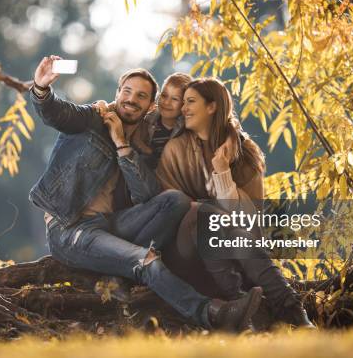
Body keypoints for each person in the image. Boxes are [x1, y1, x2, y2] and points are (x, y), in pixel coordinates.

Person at [28, 56, 263, 331]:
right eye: (126, 91)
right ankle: (213, 313)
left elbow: (146, 195)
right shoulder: (92, 118)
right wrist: (41, 89)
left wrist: (121, 144)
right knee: (146, 260)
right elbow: (56, 112)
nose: (131, 99)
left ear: (150, 106)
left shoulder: (137, 145)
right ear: (117, 93)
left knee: (175, 200)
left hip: (109, 226)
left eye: (141, 96)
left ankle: (119, 271)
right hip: (70, 229)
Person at [156, 77, 315, 329]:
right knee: (205, 215)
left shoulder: (244, 151)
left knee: (216, 220)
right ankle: (265, 305)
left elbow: (248, 220)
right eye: (183, 102)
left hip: (234, 248)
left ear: (212, 107)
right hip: (184, 254)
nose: (183, 108)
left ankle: (286, 309)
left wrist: (222, 171)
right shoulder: (174, 150)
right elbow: (167, 211)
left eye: (191, 102)